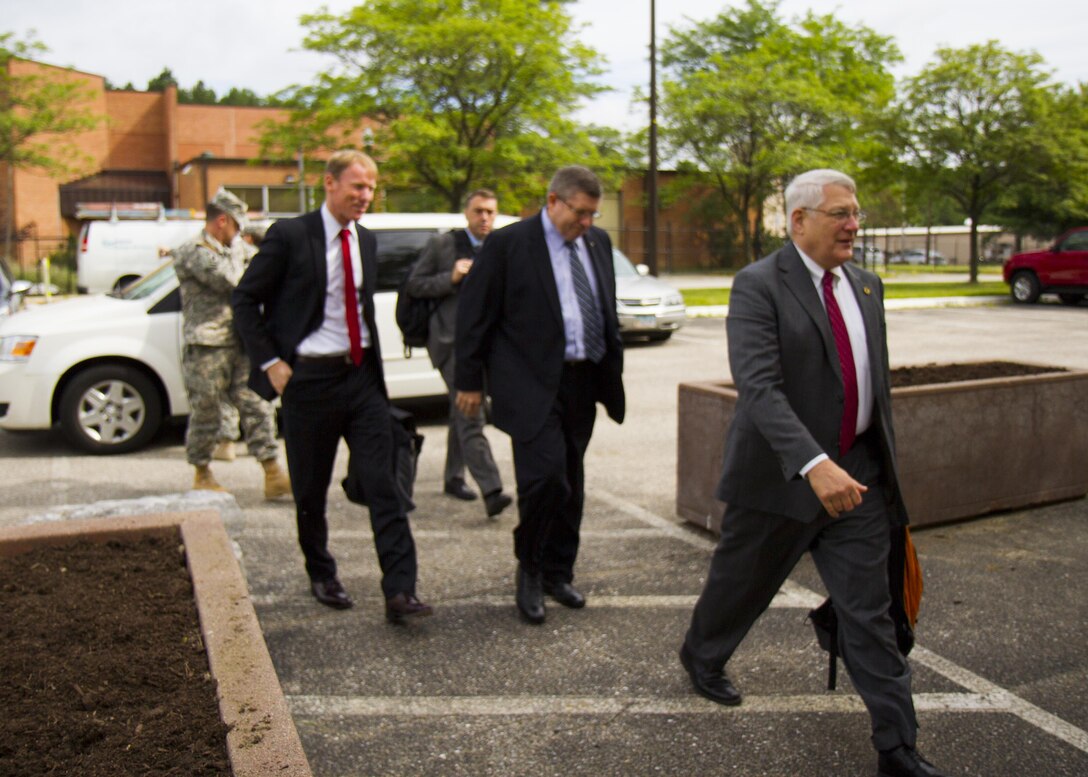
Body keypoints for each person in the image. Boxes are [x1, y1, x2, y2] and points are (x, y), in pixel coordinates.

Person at [678, 169, 946, 777]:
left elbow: (871, 385)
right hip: (778, 476)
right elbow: (759, 388)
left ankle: (896, 748)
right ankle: (702, 655)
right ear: (799, 221)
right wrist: (812, 463)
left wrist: (871, 468)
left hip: (857, 477)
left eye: (856, 214)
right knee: (739, 585)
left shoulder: (869, 286)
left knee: (869, 611)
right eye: (840, 214)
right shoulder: (757, 285)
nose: (854, 225)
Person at [231, 149, 433, 624]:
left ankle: (400, 591)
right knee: (311, 490)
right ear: (329, 183)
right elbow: (245, 300)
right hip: (309, 384)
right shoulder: (291, 236)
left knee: (384, 485)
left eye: (371, 187)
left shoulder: (365, 240)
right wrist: (272, 362)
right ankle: (321, 571)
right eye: (358, 187)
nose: (366, 196)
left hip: (361, 380)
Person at [455, 165, 625, 625]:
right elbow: (474, 314)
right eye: (581, 212)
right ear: (553, 201)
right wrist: (468, 381)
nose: (587, 222)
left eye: (593, 213)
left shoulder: (597, 243)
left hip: (582, 382)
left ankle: (558, 571)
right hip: (529, 384)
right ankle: (529, 568)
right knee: (546, 480)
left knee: (571, 481)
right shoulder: (509, 245)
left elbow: (604, 307)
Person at [171, 189, 290, 498]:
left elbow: (264, 261)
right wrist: (245, 250)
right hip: (208, 345)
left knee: (256, 403)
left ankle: (272, 471)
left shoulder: (232, 248)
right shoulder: (192, 251)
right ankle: (202, 470)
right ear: (221, 221)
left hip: (239, 341)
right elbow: (234, 280)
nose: (239, 234)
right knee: (206, 409)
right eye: (236, 226)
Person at [405, 189, 512, 519]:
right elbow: (414, 284)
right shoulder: (444, 245)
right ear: (467, 213)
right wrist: (449, 277)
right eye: (479, 211)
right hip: (450, 343)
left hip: (484, 345)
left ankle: (453, 477)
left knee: (458, 410)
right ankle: (492, 489)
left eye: (491, 212)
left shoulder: (498, 247)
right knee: (471, 409)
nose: (485, 218)